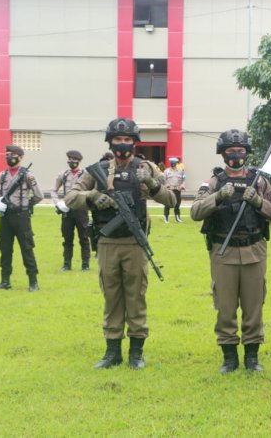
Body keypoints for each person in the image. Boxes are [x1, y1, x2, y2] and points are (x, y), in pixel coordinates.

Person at [64, 118, 175, 370]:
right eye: (117, 140)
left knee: (136, 296)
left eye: (127, 140)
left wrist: (150, 182)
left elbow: (171, 200)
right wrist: (93, 196)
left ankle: (136, 352)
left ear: (134, 142)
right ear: (110, 142)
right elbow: (71, 196)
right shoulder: (98, 169)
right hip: (107, 243)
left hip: (135, 243)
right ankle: (112, 351)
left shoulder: (145, 167)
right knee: (111, 296)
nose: (122, 144)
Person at [191, 129, 271, 374]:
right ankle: (229, 356)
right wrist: (218, 197)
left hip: (254, 249)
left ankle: (252, 358)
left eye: (240, 151)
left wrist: (258, 202)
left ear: (247, 153)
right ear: (222, 154)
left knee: (254, 306)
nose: (236, 155)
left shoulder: (259, 181)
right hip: (223, 251)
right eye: (230, 151)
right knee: (225, 306)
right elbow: (195, 212)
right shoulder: (212, 182)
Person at [0, 145, 44, 291]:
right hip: (5, 216)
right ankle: (5, 281)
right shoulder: (2, 175)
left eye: (12, 155)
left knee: (27, 248)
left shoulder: (27, 175)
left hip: (21, 216)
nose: (9, 157)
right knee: (5, 249)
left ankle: (33, 282)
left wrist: (27, 205)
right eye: (7, 154)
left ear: (20, 157)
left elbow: (39, 195)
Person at [51, 150, 91, 271]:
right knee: (67, 238)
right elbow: (53, 190)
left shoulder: (86, 174)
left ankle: (85, 264)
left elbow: (92, 190)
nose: (72, 162)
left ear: (79, 161)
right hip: (66, 211)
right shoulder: (63, 174)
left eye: (74, 160)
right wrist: (57, 203)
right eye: (70, 159)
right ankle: (67, 264)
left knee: (84, 238)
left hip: (81, 209)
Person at [163, 157, 186, 223]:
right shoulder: (166, 171)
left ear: (176, 163)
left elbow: (184, 180)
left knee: (177, 204)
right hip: (169, 190)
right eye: (172, 163)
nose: (172, 164)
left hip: (177, 190)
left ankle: (177, 218)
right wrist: (166, 185)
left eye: (174, 163)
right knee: (167, 204)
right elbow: (163, 180)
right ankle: (166, 218)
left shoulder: (181, 171)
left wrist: (182, 186)